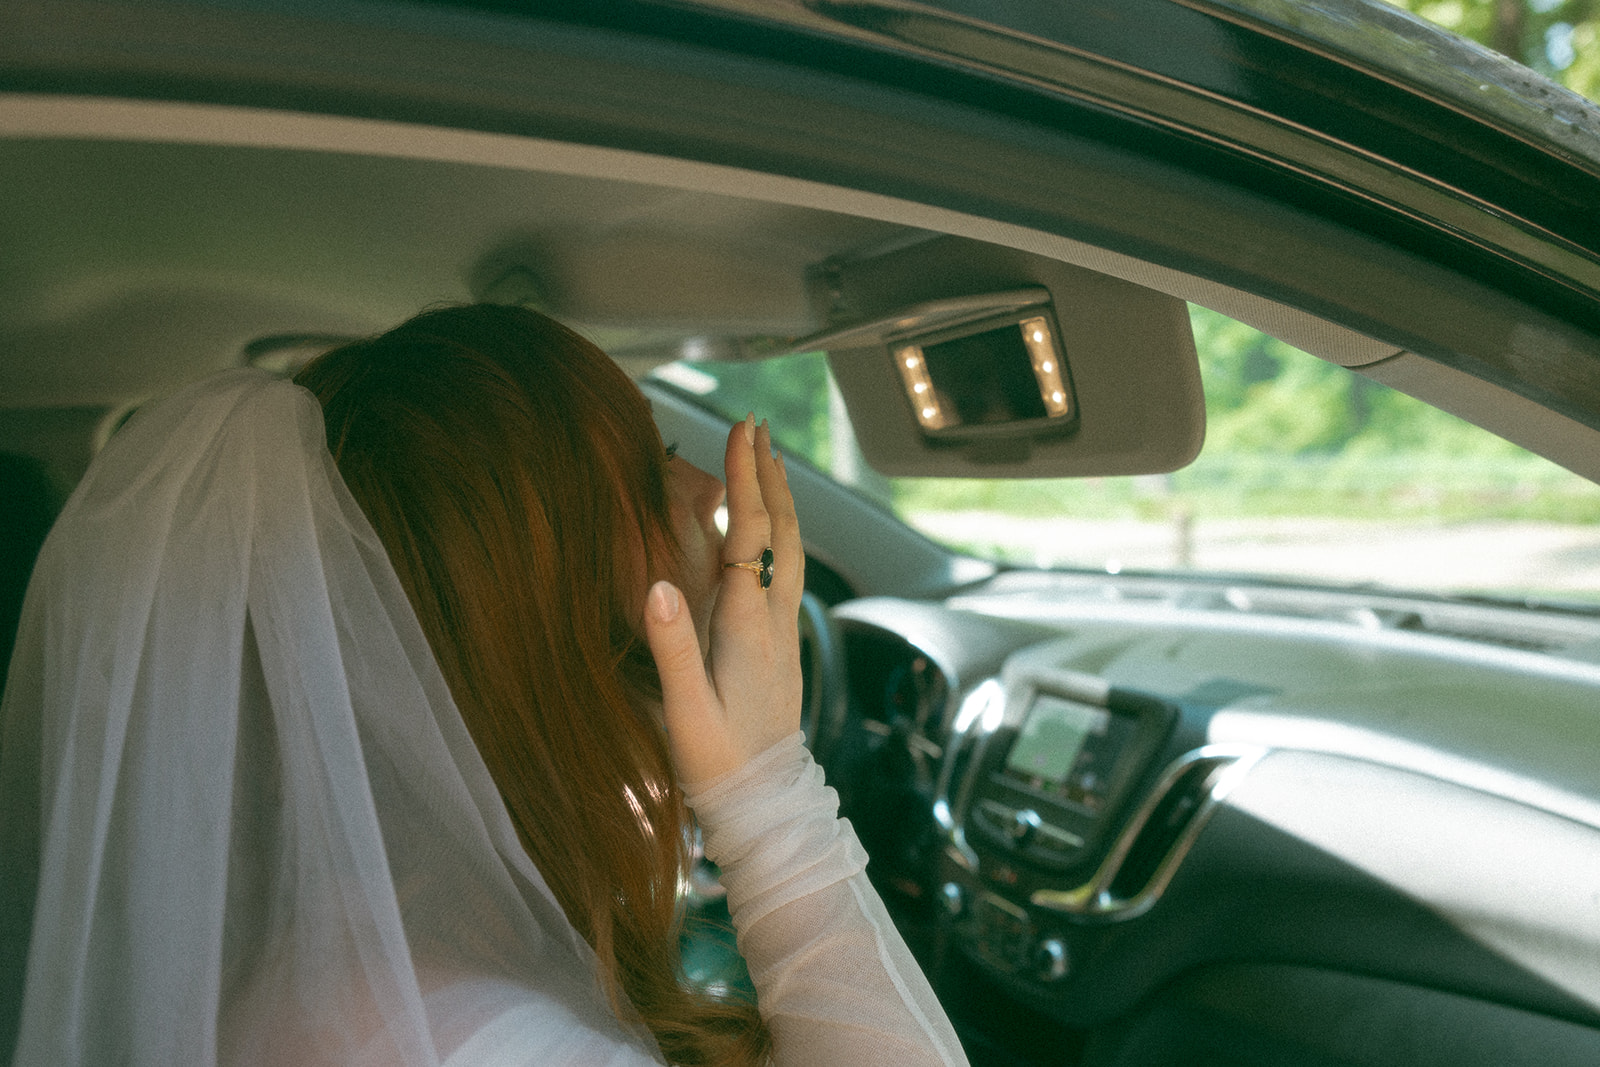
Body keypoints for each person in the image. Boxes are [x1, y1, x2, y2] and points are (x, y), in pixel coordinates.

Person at [0, 304, 967, 1065]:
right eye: (646, 467)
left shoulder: (295, 971)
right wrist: (766, 792)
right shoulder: (491, 1043)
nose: (716, 496)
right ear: (537, 619)